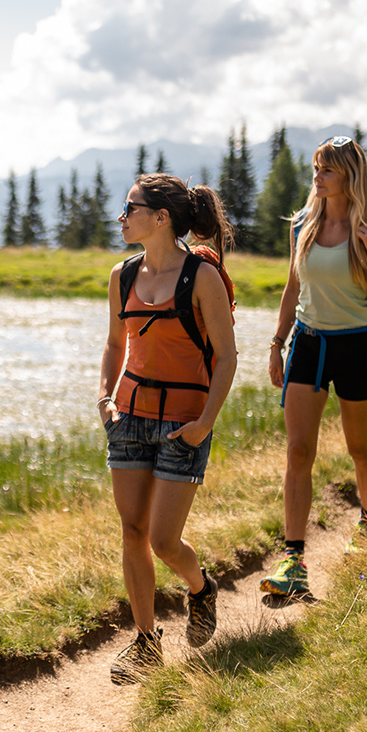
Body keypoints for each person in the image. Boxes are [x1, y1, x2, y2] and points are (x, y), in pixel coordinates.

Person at [98, 174, 237, 684]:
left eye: (130, 208)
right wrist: (105, 398)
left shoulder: (202, 276)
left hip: (184, 424)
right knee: (132, 531)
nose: (122, 217)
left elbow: (226, 357)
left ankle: (200, 588)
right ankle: (145, 642)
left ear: (161, 218)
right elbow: (116, 345)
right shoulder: (122, 275)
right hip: (129, 416)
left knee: (163, 540)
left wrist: (205, 424)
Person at [260, 136, 367, 599]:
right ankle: (294, 561)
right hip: (308, 344)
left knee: (361, 449)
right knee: (299, 452)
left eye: (326, 170)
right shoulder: (303, 222)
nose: (317, 177)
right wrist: (276, 342)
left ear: (349, 176)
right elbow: (291, 286)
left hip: (358, 346)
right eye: (316, 168)